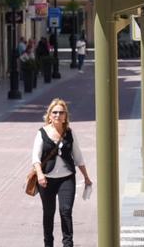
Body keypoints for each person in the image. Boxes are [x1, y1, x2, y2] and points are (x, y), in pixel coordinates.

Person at [32, 98, 93, 247]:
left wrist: (86, 177)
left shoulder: (70, 133)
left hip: (67, 179)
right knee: (49, 213)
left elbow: (78, 156)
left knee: (66, 211)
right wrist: (40, 174)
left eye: (61, 112)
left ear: (65, 116)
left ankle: (68, 244)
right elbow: (35, 157)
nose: (58, 115)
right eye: (55, 112)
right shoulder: (42, 133)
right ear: (49, 115)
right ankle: (48, 244)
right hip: (46, 180)